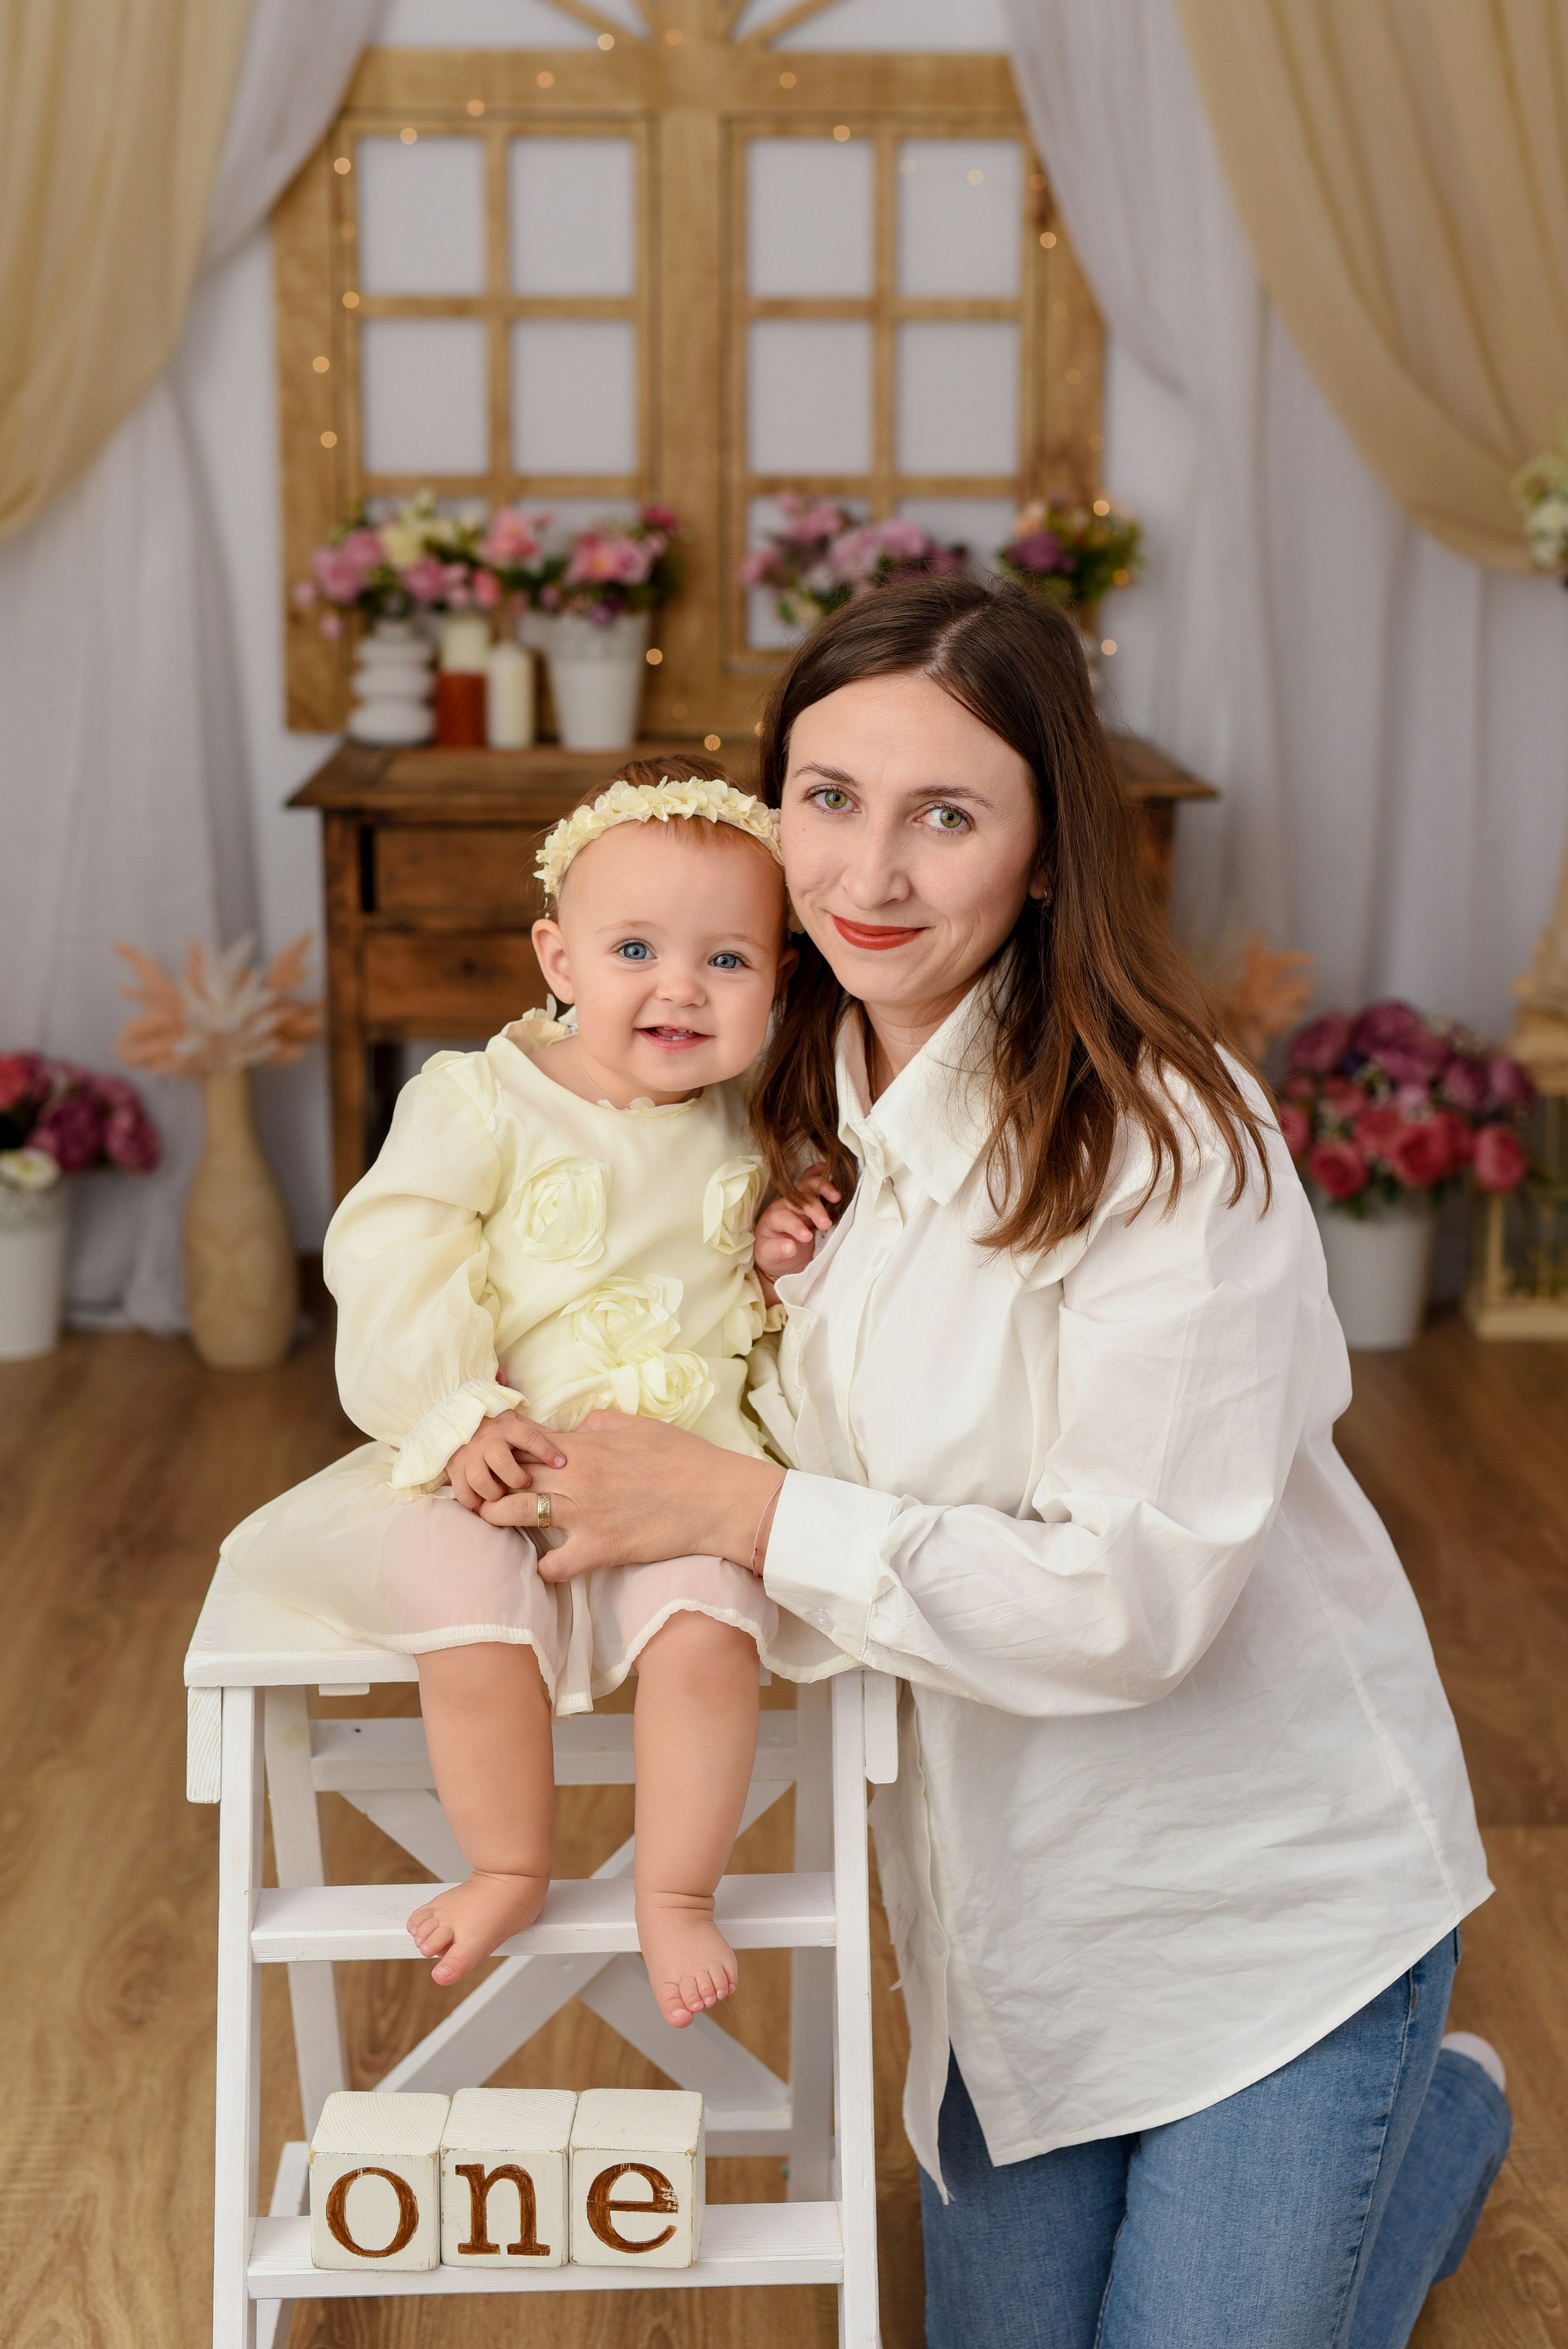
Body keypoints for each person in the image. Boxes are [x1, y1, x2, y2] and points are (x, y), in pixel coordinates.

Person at [497, 579, 1514, 2347]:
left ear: (1047, 855)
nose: (870, 876)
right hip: (1013, 1936)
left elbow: (1132, 1607)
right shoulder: (773, 1082)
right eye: (830, 799)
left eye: (946, 817)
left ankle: (1432, 2123)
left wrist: (739, 1508)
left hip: (1269, 1915)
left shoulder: (1168, 1142)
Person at [221, 757, 847, 2028]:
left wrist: (782, 1255)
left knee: (713, 1631)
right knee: (470, 1605)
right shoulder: (484, 1100)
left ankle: (676, 1888)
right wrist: (456, 1410)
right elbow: (394, 1253)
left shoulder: (757, 1122)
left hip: (682, 1473)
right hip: (503, 1459)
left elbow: (751, 1320)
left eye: (727, 960)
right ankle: (508, 1862)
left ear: (779, 980)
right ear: (559, 958)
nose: (680, 987)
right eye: (635, 949)